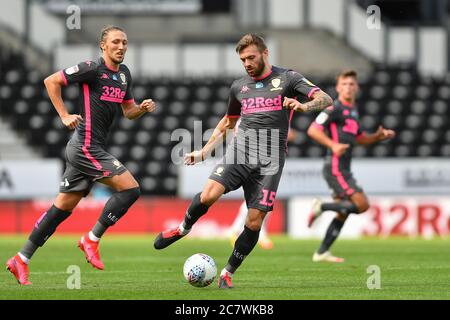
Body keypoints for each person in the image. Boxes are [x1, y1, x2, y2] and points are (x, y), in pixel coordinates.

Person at [153, 33, 332, 288]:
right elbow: (229, 121)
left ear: (265, 53)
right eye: (242, 59)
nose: (247, 63)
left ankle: (228, 272)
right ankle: (182, 229)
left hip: (270, 160)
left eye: (251, 57)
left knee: (254, 220)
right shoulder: (239, 87)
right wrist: (204, 151)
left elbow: (325, 98)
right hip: (240, 152)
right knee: (208, 195)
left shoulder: (288, 78)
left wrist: (304, 107)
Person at [6, 25, 156, 285]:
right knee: (131, 189)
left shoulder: (124, 75)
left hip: (89, 146)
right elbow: (51, 81)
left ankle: (21, 259)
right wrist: (64, 115)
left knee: (61, 209)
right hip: (85, 146)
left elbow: (128, 111)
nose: (121, 47)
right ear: (103, 46)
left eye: (125, 43)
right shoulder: (91, 68)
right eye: (116, 42)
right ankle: (91, 239)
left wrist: (141, 108)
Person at [307, 70, 395, 263]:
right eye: (344, 84)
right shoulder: (334, 108)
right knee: (362, 205)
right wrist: (333, 145)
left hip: (343, 167)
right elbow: (313, 130)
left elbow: (359, 139)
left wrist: (377, 137)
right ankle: (321, 206)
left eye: (351, 84)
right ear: (338, 88)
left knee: (343, 212)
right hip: (335, 167)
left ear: (357, 87)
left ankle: (322, 252)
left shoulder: (353, 111)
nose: (348, 87)